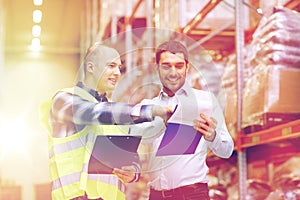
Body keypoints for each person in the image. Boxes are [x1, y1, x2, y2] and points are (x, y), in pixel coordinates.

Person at [39, 43, 172, 200]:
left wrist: (133, 173)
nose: (117, 73)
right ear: (91, 67)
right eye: (111, 66)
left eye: (119, 68)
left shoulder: (111, 110)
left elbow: (131, 154)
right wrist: (149, 110)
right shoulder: (65, 100)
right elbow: (94, 113)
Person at [130, 40, 234, 200]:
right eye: (166, 66)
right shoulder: (147, 106)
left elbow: (227, 151)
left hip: (193, 195)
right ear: (157, 68)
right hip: (156, 195)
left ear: (187, 67)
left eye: (178, 66)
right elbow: (132, 138)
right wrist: (159, 123)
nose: (173, 72)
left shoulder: (205, 101)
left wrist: (212, 137)